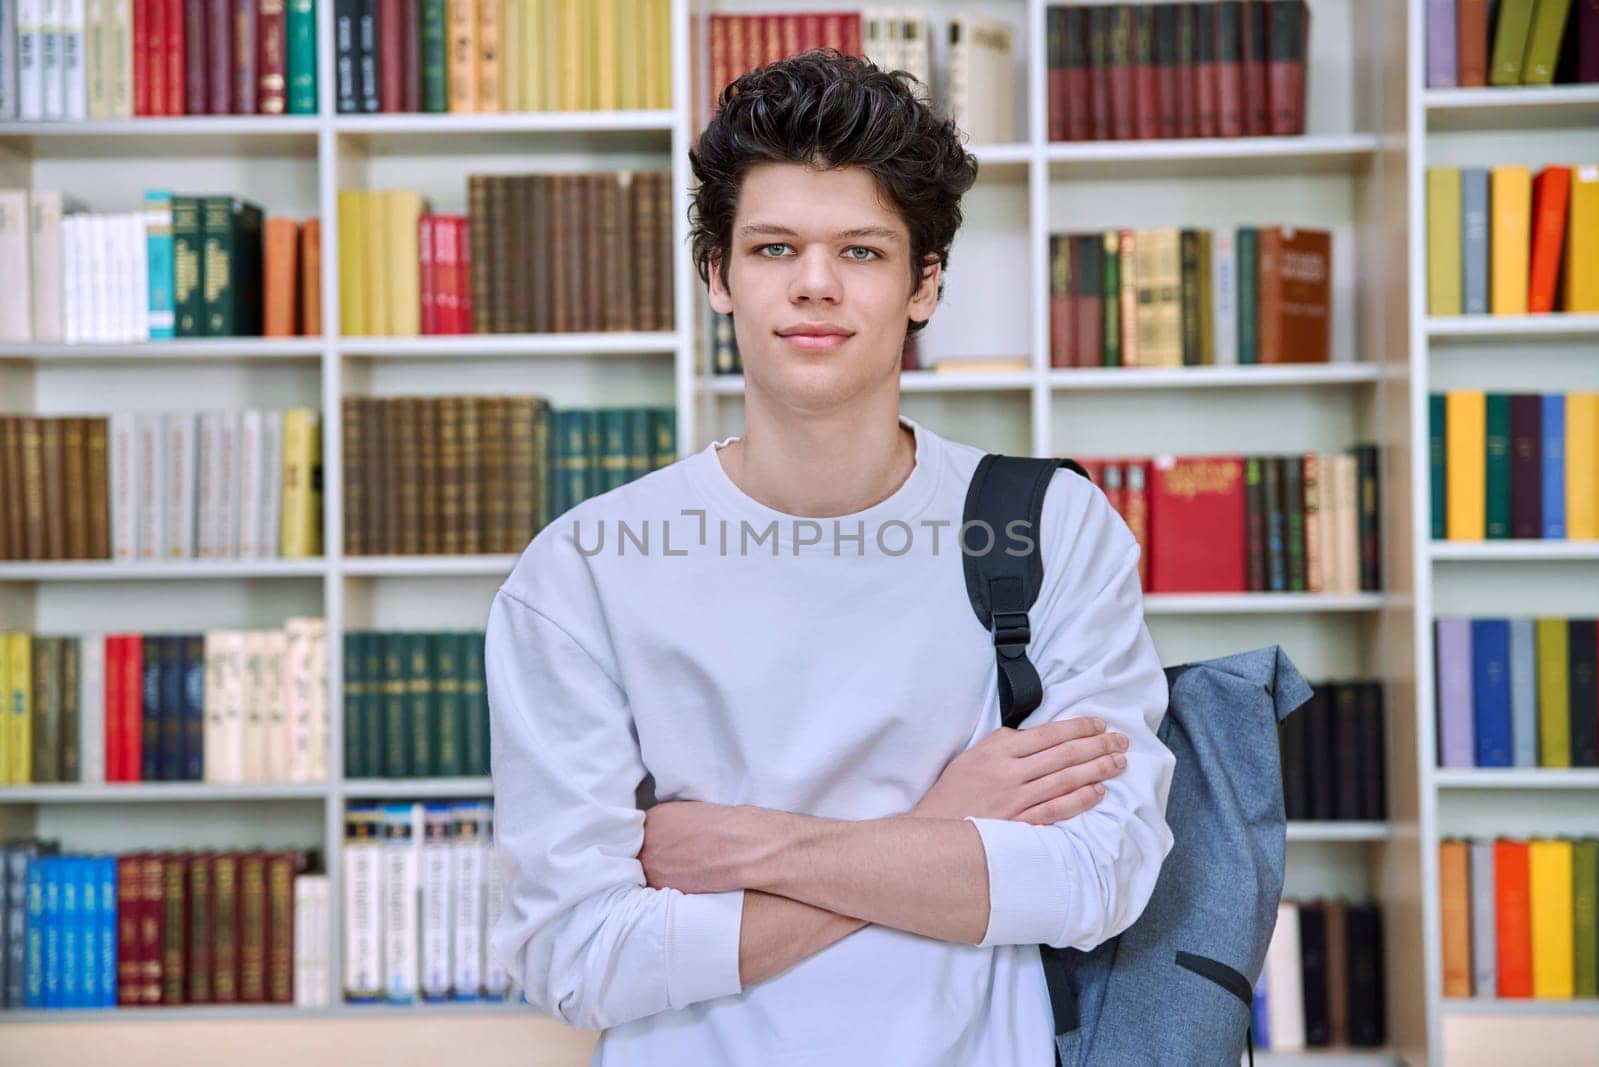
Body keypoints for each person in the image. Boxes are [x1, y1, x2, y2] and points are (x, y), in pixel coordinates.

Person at [485, 49, 1175, 1066]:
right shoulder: (584, 569)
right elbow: (576, 955)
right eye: (772, 249)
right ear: (717, 276)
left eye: (859, 251)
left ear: (922, 285)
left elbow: (1099, 879)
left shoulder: (1050, 527)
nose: (813, 284)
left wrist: (767, 848)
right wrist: (945, 824)